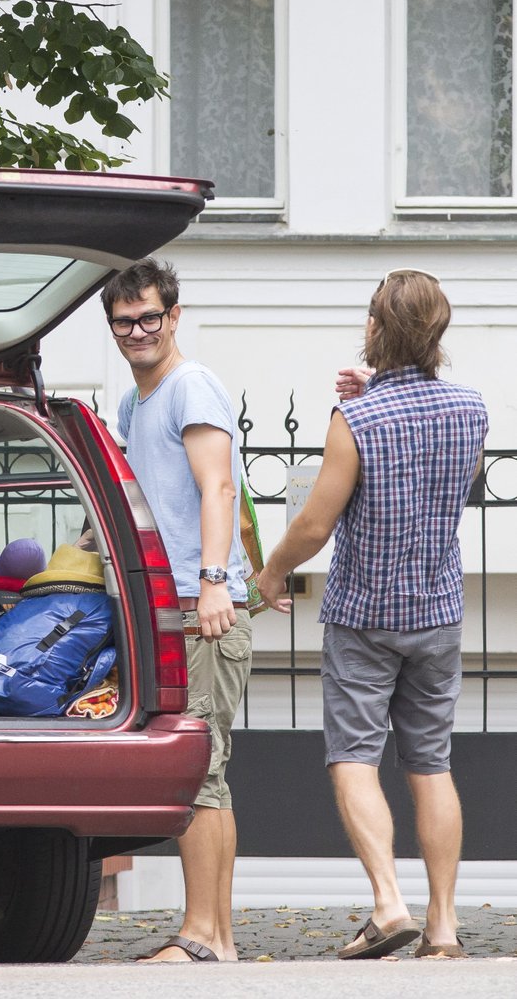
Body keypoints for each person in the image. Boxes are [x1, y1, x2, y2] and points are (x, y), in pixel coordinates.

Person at [257, 268, 488, 961]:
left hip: (364, 613)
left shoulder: (354, 418)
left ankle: (389, 903)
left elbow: (315, 523)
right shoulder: (472, 408)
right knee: (432, 762)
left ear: (377, 328)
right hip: (438, 609)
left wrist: (271, 570)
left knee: (355, 756)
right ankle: (443, 928)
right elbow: (455, 481)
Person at [101, 257, 252, 963]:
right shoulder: (138, 402)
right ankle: (215, 938)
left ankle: (201, 934)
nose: (138, 330)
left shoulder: (192, 386)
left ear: (175, 315)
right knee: (202, 766)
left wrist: (215, 580)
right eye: (125, 321)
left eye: (150, 317)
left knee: (200, 767)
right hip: (171, 607)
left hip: (203, 606)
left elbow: (218, 488)